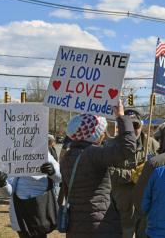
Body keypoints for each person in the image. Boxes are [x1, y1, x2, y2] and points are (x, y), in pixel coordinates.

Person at [60, 100, 137, 238]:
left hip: (75, 226)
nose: (104, 135)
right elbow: (128, 149)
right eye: (103, 131)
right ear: (95, 135)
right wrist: (121, 116)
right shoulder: (92, 153)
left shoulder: (67, 157)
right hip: (100, 226)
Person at [109, 108, 159, 238]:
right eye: (128, 125)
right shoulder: (112, 145)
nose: (132, 129)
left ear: (141, 125)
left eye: (135, 125)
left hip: (146, 202)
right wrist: (130, 175)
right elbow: (106, 172)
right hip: (122, 204)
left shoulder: (152, 144)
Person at [0, 153, 61, 238]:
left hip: (41, 210)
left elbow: (59, 178)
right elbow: (7, 192)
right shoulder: (12, 155)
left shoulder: (44, 154)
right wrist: (2, 184)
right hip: (21, 212)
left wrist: (53, 172)